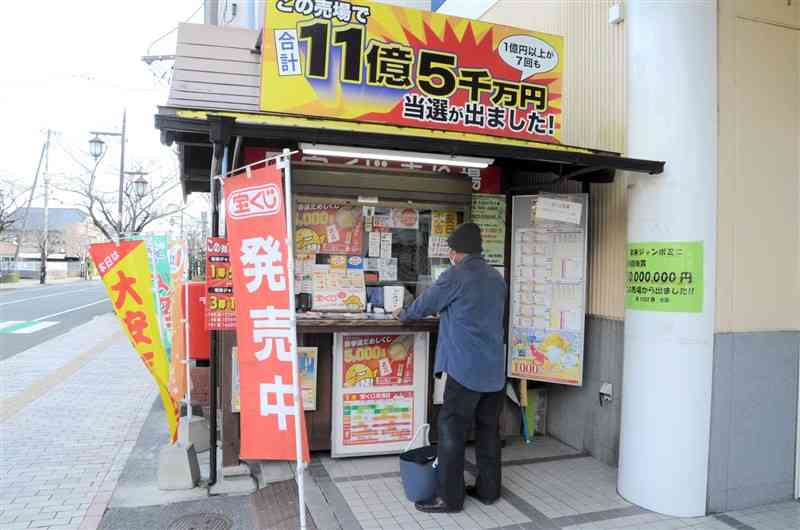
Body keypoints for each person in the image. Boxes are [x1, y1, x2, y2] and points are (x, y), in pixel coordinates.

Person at [394, 222, 507, 513]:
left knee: (451, 433)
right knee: (488, 432)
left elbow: (424, 305)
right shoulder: (496, 277)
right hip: (494, 369)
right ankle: (488, 490)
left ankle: (450, 498)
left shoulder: (455, 275)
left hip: (465, 369)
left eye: (450, 249)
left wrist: (403, 314)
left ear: (456, 251)